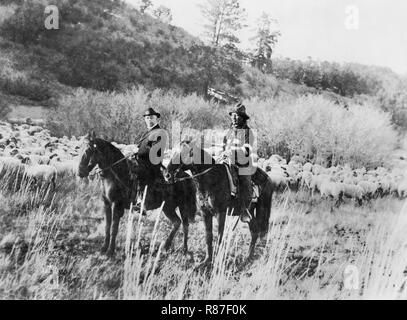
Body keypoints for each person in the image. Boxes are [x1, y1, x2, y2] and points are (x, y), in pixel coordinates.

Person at [221, 102, 256, 223]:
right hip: (227, 161)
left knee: (245, 181)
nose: (235, 118)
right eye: (233, 116)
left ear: (243, 118)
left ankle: (244, 209)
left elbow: (247, 150)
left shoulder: (248, 132)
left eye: (238, 116)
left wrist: (233, 152)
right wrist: (223, 153)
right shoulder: (228, 132)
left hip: (243, 163)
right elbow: (223, 147)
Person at [130, 107, 168, 208]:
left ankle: (141, 201)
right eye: (147, 118)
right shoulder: (146, 133)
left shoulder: (159, 132)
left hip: (152, 163)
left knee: (138, 172)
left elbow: (155, 150)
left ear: (156, 119)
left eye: (151, 118)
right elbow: (141, 147)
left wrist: (139, 152)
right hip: (142, 161)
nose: (149, 120)